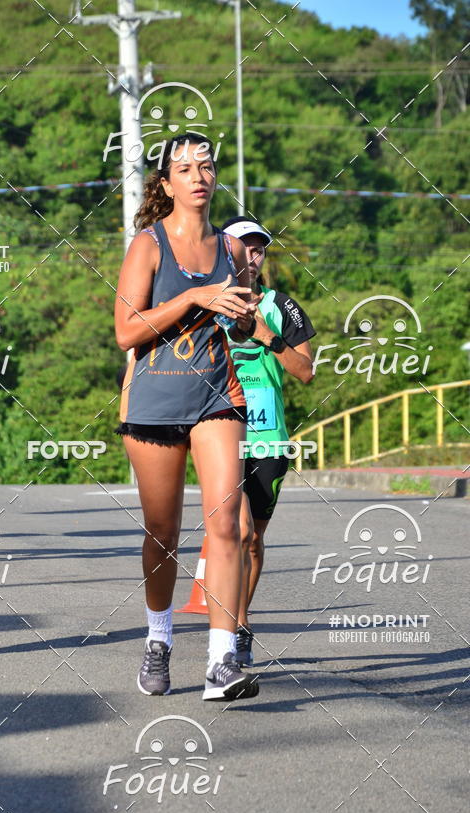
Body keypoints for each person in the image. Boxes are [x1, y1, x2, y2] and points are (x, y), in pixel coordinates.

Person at [115, 132, 261, 701]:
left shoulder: (230, 248)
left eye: (206, 165)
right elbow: (127, 330)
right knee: (164, 533)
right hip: (154, 402)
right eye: (185, 167)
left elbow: (243, 323)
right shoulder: (147, 245)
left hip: (216, 399)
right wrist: (193, 299)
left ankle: (222, 661)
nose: (198, 174)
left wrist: (241, 311)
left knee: (226, 523)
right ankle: (159, 636)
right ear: (167, 182)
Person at [221, 216, 316, 666]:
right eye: (244, 248)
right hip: (220, 433)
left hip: (269, 440)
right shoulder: (209, 303)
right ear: (227, 251)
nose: (253, 257)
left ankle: (240, 623)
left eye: (259, 249)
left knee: (254, 541)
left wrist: (266, 336)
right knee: (236, 533)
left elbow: (305, 371)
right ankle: (231, 630)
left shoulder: (284, 307)